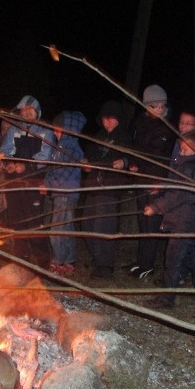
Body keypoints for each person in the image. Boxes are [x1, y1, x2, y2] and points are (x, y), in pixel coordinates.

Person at [143, 131, 195, 307]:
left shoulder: (188, 168)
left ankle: (167, 298)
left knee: (173, 258)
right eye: (180, 149)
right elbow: (178, 189)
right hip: (193, 219)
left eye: (184, 150)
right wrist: (161, 188)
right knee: (193, 254)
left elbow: (178, 195)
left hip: (184, 220)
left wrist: (155, 207)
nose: (180, 153)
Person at [125, 84, 176, 279]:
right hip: (141, 179)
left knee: (151, 223)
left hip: (156, 183)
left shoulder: (168, 127)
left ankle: (147, 265)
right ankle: (141, 262)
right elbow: (137, 149)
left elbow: (164, 160)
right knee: (142, 220)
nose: (161, 109)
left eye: (163, 105)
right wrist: (133, 164)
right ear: (146, 106)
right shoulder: (140, 122)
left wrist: (160, 182)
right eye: (156, 105)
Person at [0, 95, 53, 269]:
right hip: (14, 180)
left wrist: (26, 166)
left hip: (34, 181)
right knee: (16, 218)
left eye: (31, 109)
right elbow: (5, 151)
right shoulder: (14, 129)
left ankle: (43, 260)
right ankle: (20, 257)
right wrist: (9, 164)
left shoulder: (46, 131)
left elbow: (45, 157)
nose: (27, 111)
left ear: (37, 111)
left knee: (34, 220)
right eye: (23, 109)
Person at [81, 100, 131, 278]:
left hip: (110, 187)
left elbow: (132, 157)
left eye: (111, 119)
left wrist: (124, 162)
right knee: (87, 224)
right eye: (105, 119)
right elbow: (89, 155)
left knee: (103, 225)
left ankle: (105, 265)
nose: (107, 122)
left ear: (119, 119)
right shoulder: (98, 136)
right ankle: (98, 257)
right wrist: (86, 163)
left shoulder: (124, 137)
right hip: (94, 185)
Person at [44, 111, 86, 277]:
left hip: (66, 193)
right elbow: (52, 168)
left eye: (59, 130)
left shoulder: (72, 149)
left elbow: (65, 173)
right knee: (66, 226)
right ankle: (68, 261)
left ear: (68, 130)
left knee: (57, 229)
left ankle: (58, 261)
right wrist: (46, 182)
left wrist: (48, 183)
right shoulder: (59, 148)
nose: (55, 132)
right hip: (59, 193)